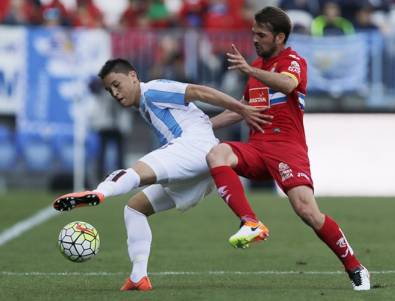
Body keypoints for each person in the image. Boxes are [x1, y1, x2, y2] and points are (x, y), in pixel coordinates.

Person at [52, 58, 272, 291]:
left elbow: (198, 91)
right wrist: (242, 110)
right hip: (203, 166)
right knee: (135, 208)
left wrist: (241, 108)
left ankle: (99, 192)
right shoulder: (145, 106)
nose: (115, 93)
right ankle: (139, 277)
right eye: (109, 90)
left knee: (136, 172)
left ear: (134, 76)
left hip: (193, 148)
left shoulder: (152, 90)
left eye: (117, 84)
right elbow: (204, 123)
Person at [205, 6, 370, 291]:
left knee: (307, 211)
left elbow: (288, 83)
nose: (255, 39)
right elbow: (242, 110)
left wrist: (249, 68)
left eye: (262, 34)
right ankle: (251, 222)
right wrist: (204, 126)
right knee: (216, 153)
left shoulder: (293, 60)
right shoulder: (255, 69)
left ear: (279, 37)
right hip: (257, 148)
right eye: (253, 33)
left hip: (287, 148)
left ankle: (355, 267)